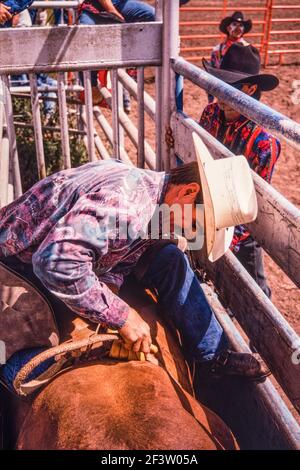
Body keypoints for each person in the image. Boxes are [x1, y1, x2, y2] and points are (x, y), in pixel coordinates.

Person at [0, 156, 269, 391]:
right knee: (28, 371)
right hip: (15, 266)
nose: (190, 233)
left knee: (169, 257)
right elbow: (55, 264)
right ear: (188, 192)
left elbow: (121, 255)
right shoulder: (126, 206)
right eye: (196, 223)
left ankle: (213, 356)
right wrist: (122, 316)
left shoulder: (154, 195)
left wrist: (108, 305)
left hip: (51, 253)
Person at [200, 43, 280, 297]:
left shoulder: (263, 142)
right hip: (207, 211)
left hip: (241, 228)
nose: (221, 98)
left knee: (254, 290)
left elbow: (251, 201)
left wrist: (225, 240)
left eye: (230, 88)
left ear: (251, 88)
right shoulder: (210, 114)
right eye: (219, 86)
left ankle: (261, 331)